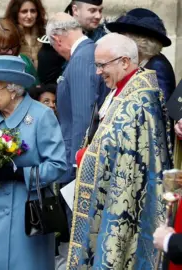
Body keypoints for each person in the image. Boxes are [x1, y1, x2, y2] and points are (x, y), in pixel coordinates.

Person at [67, 33, 171, 269]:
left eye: (102, 65)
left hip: (128, 201)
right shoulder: (120, 90)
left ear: (124, 62)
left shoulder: (141, 100)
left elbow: (129, 154)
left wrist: (88, 157)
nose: (97, 72)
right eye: (97, 65)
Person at [0, 55, 66, 270]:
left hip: (27, 211)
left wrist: (20, 174)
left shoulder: (41, 116)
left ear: (13, 89)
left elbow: (58, 165)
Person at [46, 12, 106, 184]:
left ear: (57, 39)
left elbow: (83, 116)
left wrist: (75, 164)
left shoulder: (81, 58)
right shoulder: (89, 52)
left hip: (77, 158)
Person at [106, 8, 176, 101]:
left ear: (139, 41)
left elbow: (162, 108)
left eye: (123, 35)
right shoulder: (139, 62)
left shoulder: (158, 66)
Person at [4, 0, 47, 69]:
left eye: (33, 11)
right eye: (24, 11)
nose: (29, 16)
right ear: (15, 13)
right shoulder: (7, 36)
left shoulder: (46, 34)